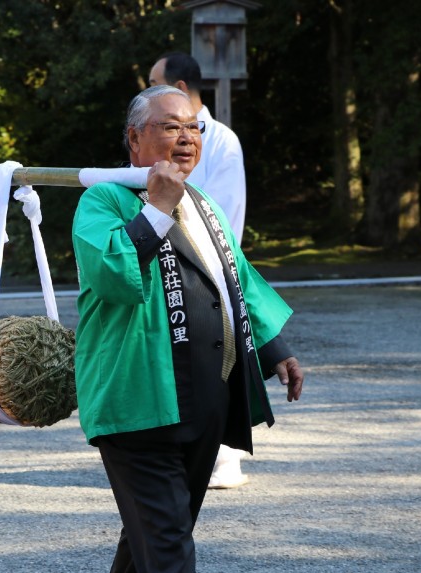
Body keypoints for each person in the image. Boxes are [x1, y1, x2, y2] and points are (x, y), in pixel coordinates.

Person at [72, 85, 304, 573]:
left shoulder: (205, 204)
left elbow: (238, 282)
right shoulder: (102, 200)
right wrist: (156, 206)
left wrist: (276, 349)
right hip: (137, 395)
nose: (185, 137)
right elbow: (114, 277)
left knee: (158, 530)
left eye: (195, 127)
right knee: (166, 533)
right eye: (170, 126)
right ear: (134, 138)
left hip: (204, 393)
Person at [149, 51, 251, 490]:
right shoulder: (156, 134)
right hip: (163, 252)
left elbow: (225, 211)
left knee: (215, 353)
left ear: (183, 89)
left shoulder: (221, 139)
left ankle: (222, 456)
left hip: (206, 258)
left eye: (155, 82)